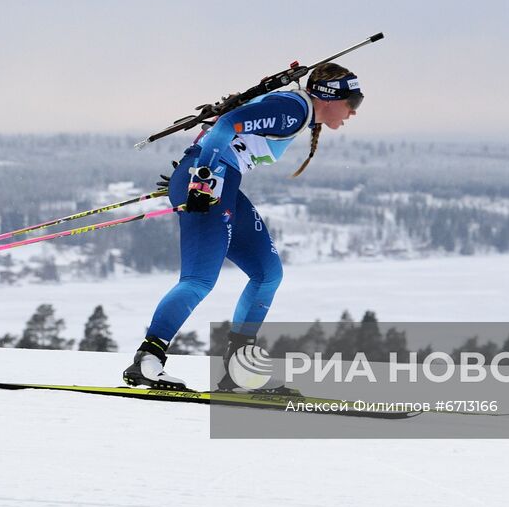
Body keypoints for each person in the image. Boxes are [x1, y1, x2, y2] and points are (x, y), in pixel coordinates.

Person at [122, 62, 365, 391]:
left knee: (267, 273)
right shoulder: (292, 110)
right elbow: (226, 125)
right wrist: (202, 176)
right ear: (329, 97)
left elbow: (225, 128)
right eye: (353, 101)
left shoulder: (295, 110)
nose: (353, 111)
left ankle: (240, 370)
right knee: (198, 280)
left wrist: (194, 170)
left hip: (221, 182)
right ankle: (148, 360)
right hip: (212, 182)